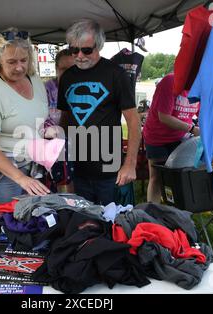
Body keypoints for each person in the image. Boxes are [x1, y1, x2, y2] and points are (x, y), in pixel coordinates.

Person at [57, 19, 141, 205]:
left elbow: (134, 122)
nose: (79, 55)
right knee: (85, 226)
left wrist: (129, 164)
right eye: (74, 50)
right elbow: (65, 118)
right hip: (78, 170)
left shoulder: (116, 74)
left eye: (86, 50)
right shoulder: (67, 78)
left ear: (99, 46)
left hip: (110, 171)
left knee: (113, 227)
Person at [0, 28, 50, 212]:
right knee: (7, 226)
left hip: (32, 164)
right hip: (3, 172)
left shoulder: (35, 80)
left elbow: (33, 120)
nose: (19, 67)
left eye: (23, 60)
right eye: (11, 62)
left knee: (32, 224)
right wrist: (21, 178)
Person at [142, 73, 200, 203]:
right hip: (157, 137)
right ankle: (152, 212)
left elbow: (202, 113)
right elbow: (164, 117)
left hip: (180, 138)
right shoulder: (170, 82)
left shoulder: (201, 87)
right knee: (156, 177)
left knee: (180, 176)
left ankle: (177, 210)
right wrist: (192, 129)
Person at [42, 49, 75, 193]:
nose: (68, 74)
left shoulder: (83, 88)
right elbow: (41, 117)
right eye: (63, 69)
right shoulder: (46, 89)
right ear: (56, 69)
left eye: (72, 70)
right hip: (53, 145)